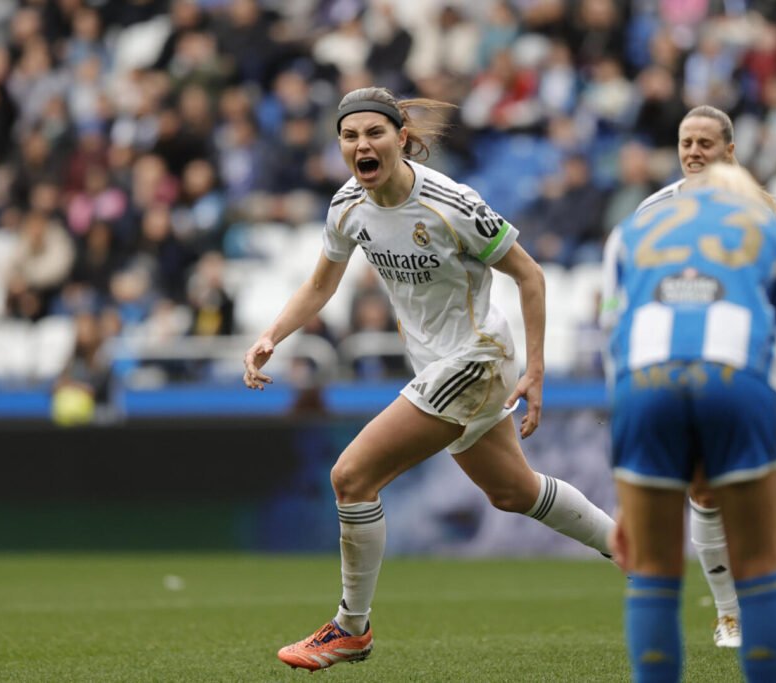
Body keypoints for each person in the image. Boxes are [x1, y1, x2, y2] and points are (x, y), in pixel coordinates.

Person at [242, 86, 616, 671]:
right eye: (349, 135)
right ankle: (629, 547)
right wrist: (272, 335)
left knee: (352, 476)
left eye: (374, 133)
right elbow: (321, 284)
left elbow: (531, 275)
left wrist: (537, 370)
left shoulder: (452, 202)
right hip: (438, 364)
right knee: (512, 491)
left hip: (478, 357)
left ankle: (350, 628)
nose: (362, 144)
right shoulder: (348, 205)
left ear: (401, 138)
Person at [603, 163, 776, 682]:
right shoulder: (775, 233)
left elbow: (613, 344)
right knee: (760, 567)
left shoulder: (628, 232)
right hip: (736, 378)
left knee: (652, 569)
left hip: (644, 383)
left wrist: (624, 492)